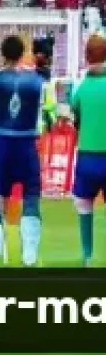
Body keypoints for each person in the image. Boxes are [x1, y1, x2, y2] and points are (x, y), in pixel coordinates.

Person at [0, 35, 53, 268]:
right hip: (28, 144)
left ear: (2, 54)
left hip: (2, 144)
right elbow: (50, 116)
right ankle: (29, 253)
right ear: (23, 53)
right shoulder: (40, 82)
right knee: (31, 195)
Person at [70, 34, 106, 267]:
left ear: (86, 57)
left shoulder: (80, 89)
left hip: (88, 157)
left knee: (84, 206)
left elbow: (77, 121)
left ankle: (87, 255)